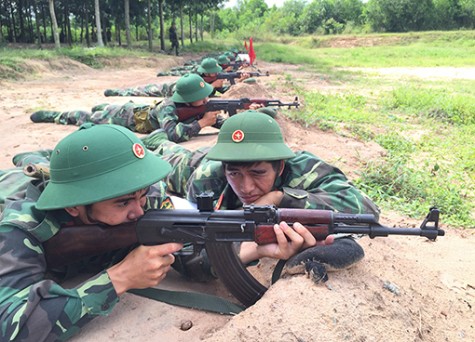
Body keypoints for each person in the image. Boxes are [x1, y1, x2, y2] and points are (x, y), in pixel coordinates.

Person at [0, 123, 327, 341]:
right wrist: (118, 279)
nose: (140, 210)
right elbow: (12, 325)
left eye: (142, 195)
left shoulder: (144, 198)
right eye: (123, 201)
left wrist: (254, 247)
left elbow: (186, 254)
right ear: (75, 207)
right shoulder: (19, 228)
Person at [143, 111, 380, 280]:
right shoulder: (208, 178)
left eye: (258, 173)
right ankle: (157, 140)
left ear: (280, 166)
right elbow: (193, 248)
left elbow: (365, 209)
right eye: (234, 173)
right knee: (161, 155)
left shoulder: (304, 169)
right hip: (187, 165)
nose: (245, 187)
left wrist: (280, 198)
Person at [29, 74, 238, 143]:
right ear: (188, 98)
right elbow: (170, 134)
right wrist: (201, 123)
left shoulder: (198, 107)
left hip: (138, 111)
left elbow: (218, 123)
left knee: (98, 111)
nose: (206, 100)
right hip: (122, 117)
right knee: (85, 117)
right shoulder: (168, 106)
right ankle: (55, 115)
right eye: (201, 98)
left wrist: (236, 123)